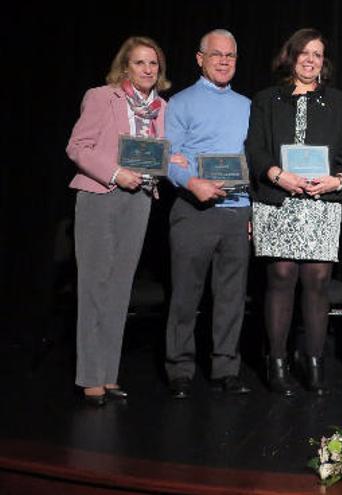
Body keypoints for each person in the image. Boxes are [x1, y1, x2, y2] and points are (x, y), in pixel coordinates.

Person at [66, 36, 183, 406]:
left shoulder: (162, 107)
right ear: (125, 66)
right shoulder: (102, 97)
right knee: (94, 287)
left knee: (119, 290)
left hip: (140, 200)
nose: (147, 69)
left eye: (153, 64)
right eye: (140, 63)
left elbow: (159, 153)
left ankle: (108, 374)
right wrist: (116, 173)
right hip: (100, 196)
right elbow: (77, 147)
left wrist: (173, 163)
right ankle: (89, 379)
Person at [246, 28, 342, 396]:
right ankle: (275, 361)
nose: (311, 60)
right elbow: (256, 148)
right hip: (278, 195)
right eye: (304, 53)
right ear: (291, 57)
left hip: (320, 199)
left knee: (318, 279)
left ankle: (312, 360)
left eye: (318, 54)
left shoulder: (338, 100)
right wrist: (278, 175)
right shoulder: (267, 99)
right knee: (280, 275)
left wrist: (336, 180)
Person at [163, 29, 252, 399]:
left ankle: (225, 368)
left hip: (237, 211)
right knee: (185, 295)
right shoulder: (179, 103)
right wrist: (190, 181)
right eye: (216, 54)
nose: (224, 61)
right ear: (200, 59)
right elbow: (167, 157)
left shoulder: (248, 105)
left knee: (231, 296)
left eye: (230, 55)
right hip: (194, 210)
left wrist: (252, 212)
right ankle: (179, 368)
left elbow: (255, 160)